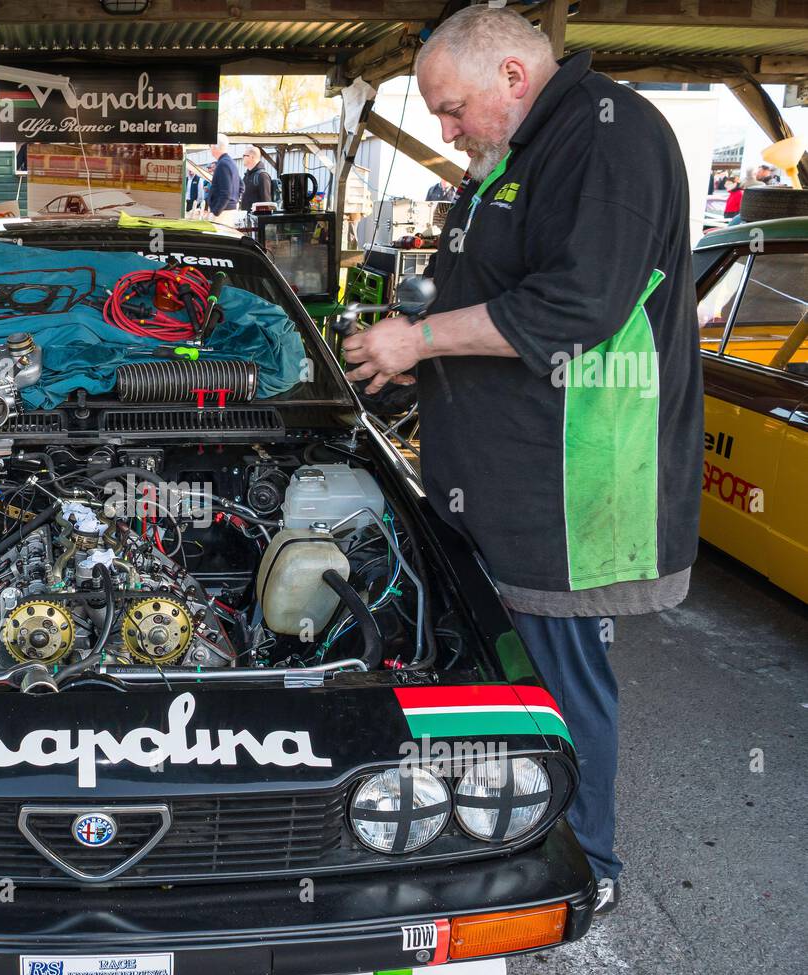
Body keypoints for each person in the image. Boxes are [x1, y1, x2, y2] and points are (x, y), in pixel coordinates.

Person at [341, 6, 703, 916]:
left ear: (511, 74)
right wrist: (398, 369)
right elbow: (488, 301)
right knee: (493, 671)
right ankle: (489, 830)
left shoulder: (610, 138)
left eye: (452, 108)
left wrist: (415, 340)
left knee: (558, 676)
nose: (446, 129)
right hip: (497, 481)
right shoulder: (522, 149)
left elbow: (574, 308)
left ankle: (588, 864)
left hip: (573, 485)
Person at [205, 134, 242, 226]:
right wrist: (234, 202)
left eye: (211, 146)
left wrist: (215, 212)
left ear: (214, 146)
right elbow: (242, 186)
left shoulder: (223, 164)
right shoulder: (230, 162)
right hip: (228, 211)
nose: (210, 148)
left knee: (216, 239)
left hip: (223, 213)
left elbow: (226, 193)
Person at [240, 146, 273, 210]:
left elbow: (267, 203)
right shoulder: (246, 176)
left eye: (244, 155)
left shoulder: (262, 176)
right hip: (247, 217)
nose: (242, 158)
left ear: (252, 157)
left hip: (257, 218)